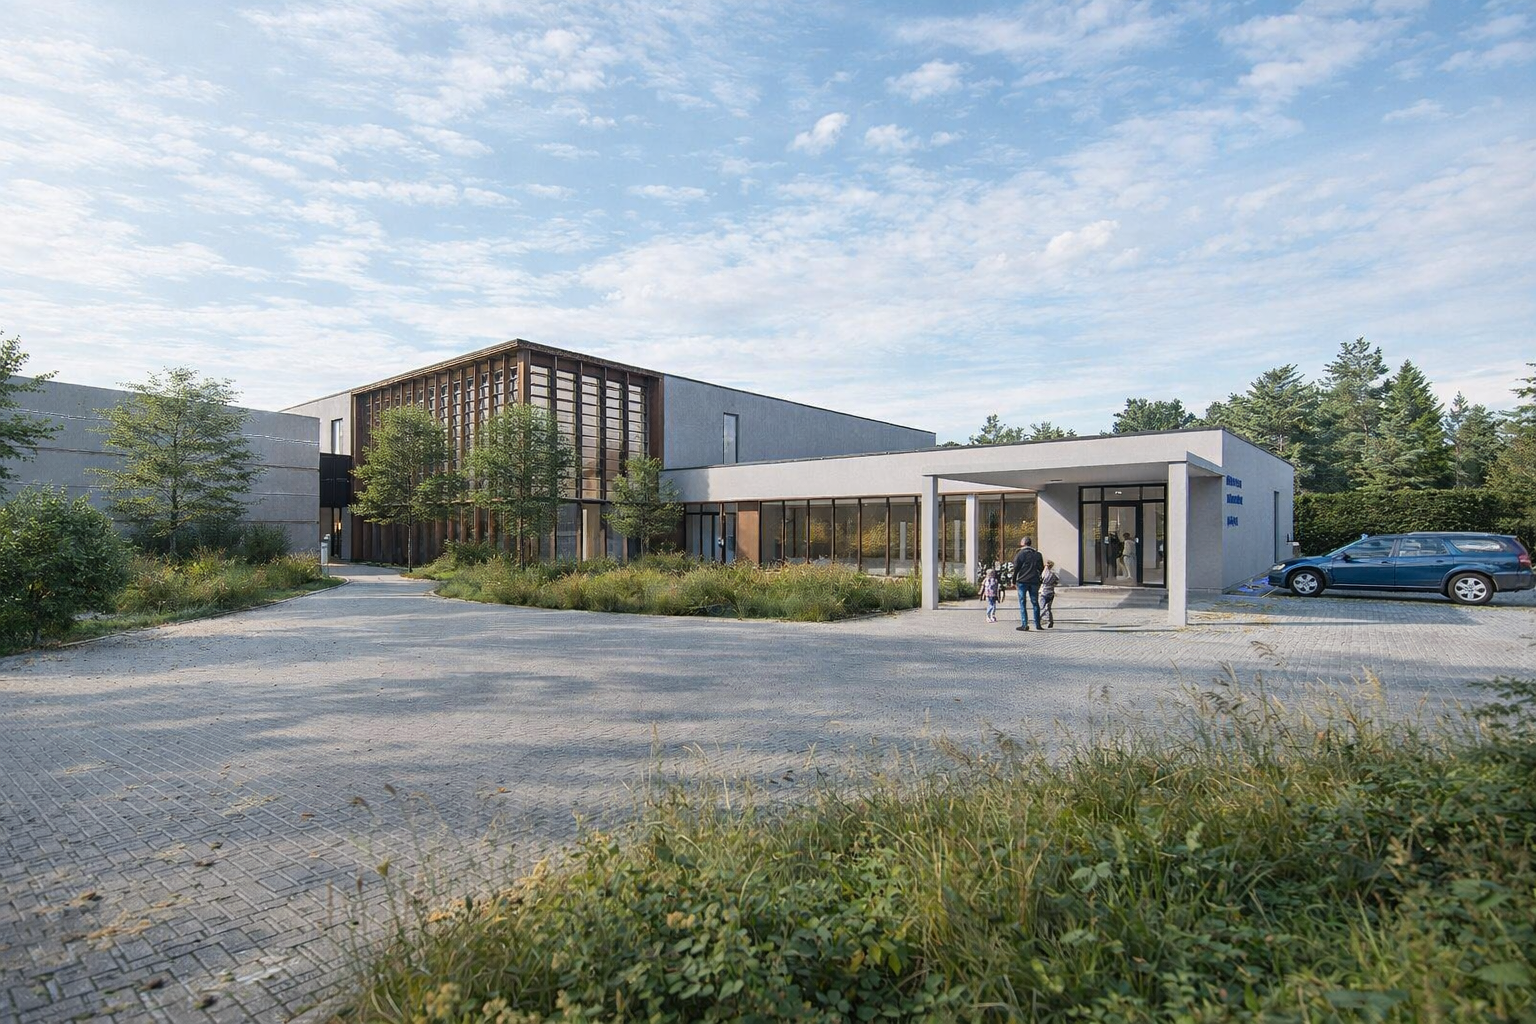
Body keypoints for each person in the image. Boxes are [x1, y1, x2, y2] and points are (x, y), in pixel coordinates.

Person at [1011, 536, 1044, 632]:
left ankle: (1025, 624)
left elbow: (1016, 568)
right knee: (1035, 602)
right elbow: (1041, 568)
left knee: (1022, 602)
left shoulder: (1020, 554)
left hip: (1022, 581)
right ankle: (1038, 624)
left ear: (1022, 543)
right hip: (1034, 581)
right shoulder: (1038, 554)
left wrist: (1013, 580)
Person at [1039, 559, 1060, 628]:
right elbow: (1056, 582)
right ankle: (1050, 621)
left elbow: (1040, 580)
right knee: (1048, 607)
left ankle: (1039, 619)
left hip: (1044, 592)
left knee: (1042, 607)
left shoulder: (1044, 573)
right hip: (1051, 592)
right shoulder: (1053, 574)